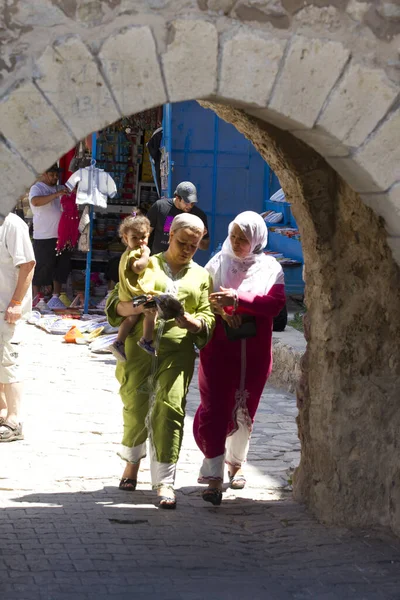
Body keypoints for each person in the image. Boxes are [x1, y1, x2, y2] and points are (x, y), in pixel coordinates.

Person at [105, 213, 215, 509]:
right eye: (182, 243)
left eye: (193, 245)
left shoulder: (201, 276)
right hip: (138, 351)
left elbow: (207, 316)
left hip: (177, 352)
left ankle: (165, 480)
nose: (186, 250)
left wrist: (192, 321)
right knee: (135, 405)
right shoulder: (145, 262)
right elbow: (116, 303)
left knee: (170, 408)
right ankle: (131, 463)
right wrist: (140, 306)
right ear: (170, 237)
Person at [193, 211, 286, 505]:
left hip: (255, 355)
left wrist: (239, 300)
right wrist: (221, 310)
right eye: (233, 236)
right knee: (217, 408)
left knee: (246, 410)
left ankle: (236, 464)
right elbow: (202, 298)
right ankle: (213, 476)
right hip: (220, 350)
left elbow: (274, 306)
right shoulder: (218, 263)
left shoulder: (271, 268)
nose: (236, 242)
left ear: (256, 240)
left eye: (243, 239)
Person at [0, 212, 36, 442]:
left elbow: (27, 265)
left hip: (7, 309)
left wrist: (15, 303)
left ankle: (14, 420)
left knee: (10, 362)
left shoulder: (13, 224)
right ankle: (2, 412)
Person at [109, 213, 156, 362]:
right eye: (134, 238)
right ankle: (147, 339)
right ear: (125, 238)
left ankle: (119, 342)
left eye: (143, 237)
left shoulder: (126, 253)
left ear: (148, 235)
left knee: (131, 318)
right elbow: (138, 268)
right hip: (135, 296)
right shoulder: (137, 253)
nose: (140, 241)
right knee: (151, 309)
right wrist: (146, 255)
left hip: (127, 295)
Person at [28, 164, 72, 306]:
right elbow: (36, 201)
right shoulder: (37, 188)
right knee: (42, 267)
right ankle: (36, 297)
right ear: (44, 174)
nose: (55, 177)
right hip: (44, 236)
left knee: (60, 266)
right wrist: (56, 195)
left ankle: (55, 297)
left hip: (62, 236)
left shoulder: (61, 188)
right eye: (51, 175)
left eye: (56, 175)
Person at [146, 182, 210, 254]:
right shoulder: (160, 206)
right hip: (159, 258)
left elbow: (205, 246)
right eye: (186, 202)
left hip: (183, 260)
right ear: (177, 197)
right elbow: (146, 232)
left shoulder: (198, 215)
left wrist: (199, 237)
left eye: (192, 202)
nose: (190, 206)